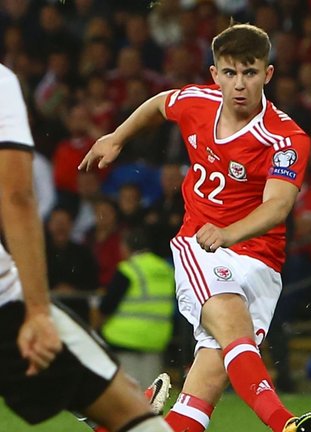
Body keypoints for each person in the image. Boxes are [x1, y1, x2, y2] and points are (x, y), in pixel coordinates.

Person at [79, 24, 311, 432]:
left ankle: (120, 422)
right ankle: (285, 424)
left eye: (250, 72)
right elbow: (159, 104)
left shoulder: (285, 137)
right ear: (215, 74)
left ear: (268, 74)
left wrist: (231, 233)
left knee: (206, 385)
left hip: (261, 261)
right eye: (230, 72)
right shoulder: (198, 101)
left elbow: (278, 206)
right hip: (201, 246)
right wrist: (117, 137)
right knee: (235, 329)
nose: (239, 84)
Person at [0, 64, 172, 432]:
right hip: (5, 303)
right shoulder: (1, 83)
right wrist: (37, 311)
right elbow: (16, 195)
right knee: (134, 416)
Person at [96, 227, 176, 388]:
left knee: (128, 391)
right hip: (156, 338)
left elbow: (106, 306)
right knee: (152, 392)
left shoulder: (128, 270)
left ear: (126, 247)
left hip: (123, 338)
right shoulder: (167, 269)